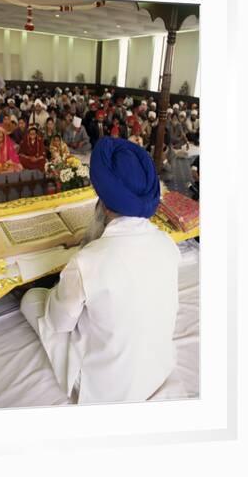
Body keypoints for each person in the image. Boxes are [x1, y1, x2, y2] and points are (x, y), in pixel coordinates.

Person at [20, 137, 180, 404]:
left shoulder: (88, 261)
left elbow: (59, 323)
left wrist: (62, 291)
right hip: (158, 369)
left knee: (31, 300)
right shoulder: (167, 244)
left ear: (104, 206)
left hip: (109, 388)